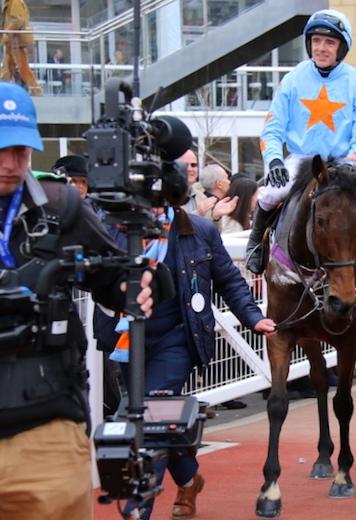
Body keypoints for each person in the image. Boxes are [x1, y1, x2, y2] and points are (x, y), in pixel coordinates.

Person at [0, 81, 154, 520]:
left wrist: (140, 288)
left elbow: (118, 277)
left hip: (46, 430)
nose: (10, 164)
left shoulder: (61, 206)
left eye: (20, 150)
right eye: (0, 149)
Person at [96, 198, 277, 520]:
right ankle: (190, 480)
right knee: (162, 420)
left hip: (177, 338)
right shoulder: (111, 227)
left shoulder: (198, 230)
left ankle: (138, 511)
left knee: (150, 418)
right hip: (126, 339)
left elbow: (228, 280)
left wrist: (252, 317)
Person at [246, 9, 356, 273]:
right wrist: (274, 161)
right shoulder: (292, 79)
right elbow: (272, 129)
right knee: (273, 192)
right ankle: (256, 242)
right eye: (316, 41)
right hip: (301, 159)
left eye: (329, 42)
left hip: (342, 162)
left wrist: (352, 163)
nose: (321, 48)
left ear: (342, 47)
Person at [0, 0, 41, 95]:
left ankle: (35, 89)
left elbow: (17, 20)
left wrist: (6, 33)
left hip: (16, 40)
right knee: (8, 66)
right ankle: (2, 87)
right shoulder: (11, 3)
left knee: (22, 67)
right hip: (13, 40)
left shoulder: (15, 2)